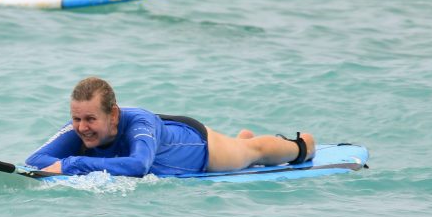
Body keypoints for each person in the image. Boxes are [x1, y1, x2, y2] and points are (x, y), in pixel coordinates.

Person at [25, 77, 316, 176]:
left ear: (113, 114)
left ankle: (302, 146)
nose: (82, 127)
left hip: (200, 148)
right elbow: (35, 161)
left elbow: (138, 165)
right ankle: (241, 137)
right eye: (77, 119)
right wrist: (70, 163)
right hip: (169, 135)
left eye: (90, 119)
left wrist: (72, 164)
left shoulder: (140, 121)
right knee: (242, 145)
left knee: (252, 152)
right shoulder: (77, 127)